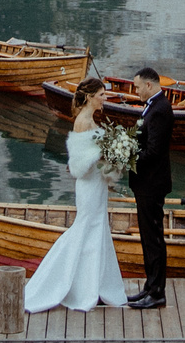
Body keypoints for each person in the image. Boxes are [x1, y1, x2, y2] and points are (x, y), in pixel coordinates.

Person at [21, 76, 129, 313]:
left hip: (97, 184)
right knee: (85, 228)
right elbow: (80, 164)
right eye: (102, 95)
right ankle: (73, 287)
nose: (105, 99)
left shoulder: (90, 120)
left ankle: (95, 285)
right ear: (90, 97)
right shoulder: (83, 122)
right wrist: (108, 154)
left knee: (97, 229)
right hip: (89, 185)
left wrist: (112, 155)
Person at [124, 66, 173, 309]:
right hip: (147, 183)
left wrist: (127, 157)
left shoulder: (160, 110)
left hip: (151, 183)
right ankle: (150, 287)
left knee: (153, 238)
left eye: (137, 87)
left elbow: (154, 151)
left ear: (149, 85)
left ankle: (156, 293)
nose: (136, 92)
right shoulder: (153, 106)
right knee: (147, 237)